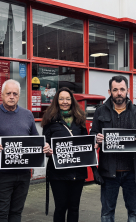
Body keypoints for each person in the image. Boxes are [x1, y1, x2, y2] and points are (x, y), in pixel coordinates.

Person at [0, 79, 50, 222]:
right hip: (3, 174)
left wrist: (44, 146)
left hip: (23, 173)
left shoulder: (27, 115)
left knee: (17, 212)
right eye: (8, 93)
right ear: (2, 95)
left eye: (15, 94)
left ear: (19, 95)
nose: (11, 96)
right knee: (2, 212)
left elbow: (36, 139)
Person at [90, 75, 136, 222]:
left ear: (127, 90)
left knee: (134, 213)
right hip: (109, 172)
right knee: (107, 213)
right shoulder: (100, 111)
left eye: (122, 89)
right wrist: (96, 138)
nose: (119, 93)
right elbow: (92, 135)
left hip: (132, 171)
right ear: (110, 92)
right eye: (115, 90)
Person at [41, 87, 89, 222]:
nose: (65, 102)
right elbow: (45, 144)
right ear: (56, 101)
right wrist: (47, 150)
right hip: (58, 173)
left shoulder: (79, 119)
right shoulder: (50, 120)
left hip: (77, 172)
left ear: (72, 101)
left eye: (68, 99)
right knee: (60, 207)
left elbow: (85, 142)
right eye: (61, 99)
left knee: (74, 208)